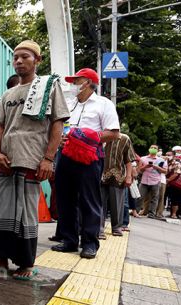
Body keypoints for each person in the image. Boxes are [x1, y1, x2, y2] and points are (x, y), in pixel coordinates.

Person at [0, 40, 69, 280]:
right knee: (3, 209)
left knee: (25, 212)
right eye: (16, 57)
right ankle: (0, 257)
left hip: (32, 158)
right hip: (6, 159)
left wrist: (48, 158)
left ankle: (26, 263)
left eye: (25, 56)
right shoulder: (8, 93)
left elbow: (58, 122)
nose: (18, 61)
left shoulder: (49, 86)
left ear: (37, 60)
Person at [52, 68, 120, 259]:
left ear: (88, 82)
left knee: (89, 200)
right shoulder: (69, 104)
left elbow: (113, 133)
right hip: (66, 155)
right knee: (65, 198)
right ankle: (69, 240)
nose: (73, 85)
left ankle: (90, 243)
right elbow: (60, 127)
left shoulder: (103, 104)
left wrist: (87, 138)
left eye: (77, 81)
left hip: (90, 157)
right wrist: (62, 139)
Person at [99, 133, 134, 237]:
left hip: (118, 176)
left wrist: (128, 176)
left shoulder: (124, 138)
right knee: (99, 202)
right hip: (99, 173)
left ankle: (117, 227)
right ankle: (99, 228)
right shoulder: (98, 135)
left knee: (118, 203)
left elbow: (128, 160)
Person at [138, 144, 167, 218]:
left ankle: (151, 213)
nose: (153, 149)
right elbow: (139, 169)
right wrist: (145, 166)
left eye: (155, 148)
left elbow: (165, 171)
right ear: (149, 149)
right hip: (144, 180)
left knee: (154, 198)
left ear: (157, 150)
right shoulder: (143, 158)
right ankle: (136, 210)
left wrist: (156, 167)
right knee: (140, 197)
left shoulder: (161, 160)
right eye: (152, 147)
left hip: (156, 181)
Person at [166, 151, 181, 218]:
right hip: (169, 184)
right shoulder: (166, 163)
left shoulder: (177, 163)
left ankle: (174, 214)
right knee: (171, 199)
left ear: (174, 156)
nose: (167, 156)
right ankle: (172, 213)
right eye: (166, 155)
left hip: (176, 184)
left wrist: (168, 180)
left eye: (169, 155)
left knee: (175, 199)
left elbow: (176, 174)